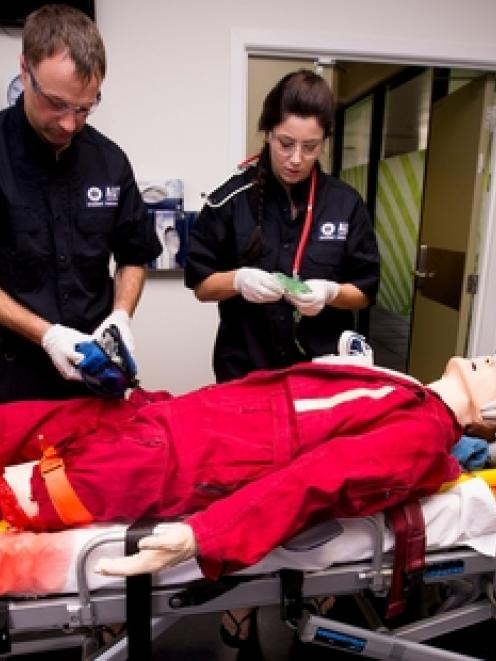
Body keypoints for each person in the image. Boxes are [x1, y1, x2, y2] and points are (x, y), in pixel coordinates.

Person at [1, 353, 496, 583]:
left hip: (160, 461)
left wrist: (203, 535)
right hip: (157, 414)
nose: (490, 358)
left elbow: (316, 479)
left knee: (24, 491)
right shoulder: (403, 386)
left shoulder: (421, 440)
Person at [0, 4, 161, 402]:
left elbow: (133, 255)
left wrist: (121, 316)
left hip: (93, 384)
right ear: (25, 70)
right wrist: (47, 335)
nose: (70, 123)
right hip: (11, 380)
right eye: (56, 103)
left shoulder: (109, 161)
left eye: (84, 108)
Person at [185, 69, 380, 383]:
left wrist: (330, 293)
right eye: (286, 143)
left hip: (320, 376)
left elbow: (365, 291)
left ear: (325, 142)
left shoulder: (346, 205)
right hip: (245, 374)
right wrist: (238, 281)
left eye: (311, 147)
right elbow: (201, 286)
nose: (296, 159)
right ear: (268, 133)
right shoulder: (229, 201)